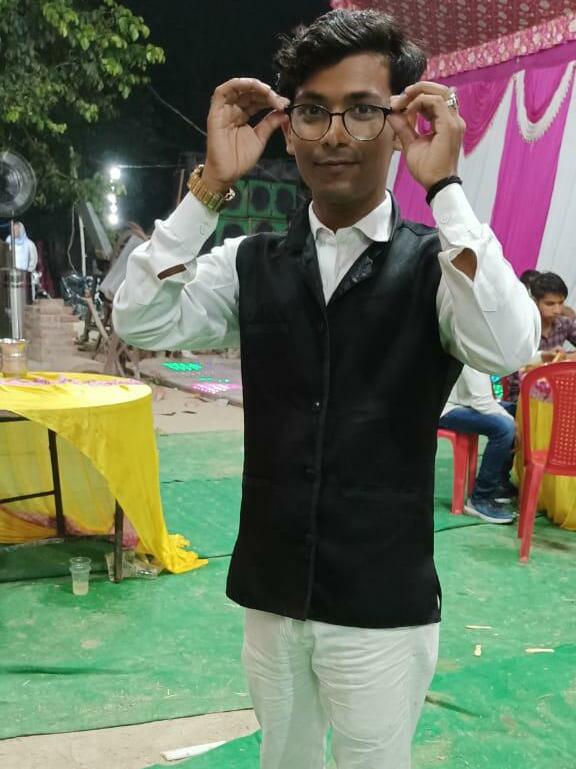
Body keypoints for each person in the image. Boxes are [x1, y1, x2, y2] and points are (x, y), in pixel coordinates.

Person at [114, 10, 539, 769]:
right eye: (313, 111)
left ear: (401, 122)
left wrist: (445, 188)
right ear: (289, 126)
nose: (335, 135)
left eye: (363, 110)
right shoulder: (249, 264)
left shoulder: (435, 268)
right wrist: (210, 187)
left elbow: (511, 345)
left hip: (382, 603)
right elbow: (139, 316)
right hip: (273, 593)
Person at [439, 366, 517, 524]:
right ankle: (481, 498)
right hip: (445, 408)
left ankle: (499, 484)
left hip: (463, 402)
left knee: (514, 409)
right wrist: (514, 424)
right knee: (505, 427)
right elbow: (482, 403)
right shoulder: (473, 355)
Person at [530, 272, 576, 359]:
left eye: (561, 303)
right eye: (550, 304)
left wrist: (565, 357)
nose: (557, 310)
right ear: (535, 302)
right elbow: (516, 363)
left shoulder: (565, 323)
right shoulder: (525, 330)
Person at [5, 221, 39, 302]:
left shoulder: (29, 244)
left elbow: (33, 260)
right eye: (13, 230)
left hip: (25, 278)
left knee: (25, 300)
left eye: (16, 229)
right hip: (12, 277)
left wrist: (27, 273)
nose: (14, 231)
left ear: (21, 230)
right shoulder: (8, 243)